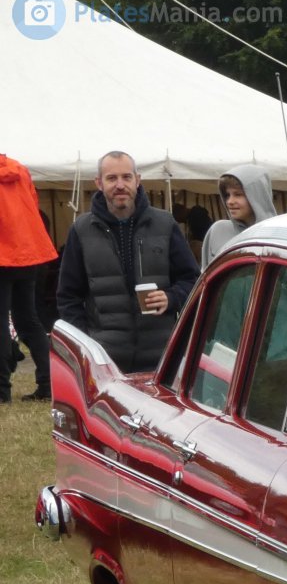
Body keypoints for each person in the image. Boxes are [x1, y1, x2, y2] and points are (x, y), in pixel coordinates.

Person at [56, 151, 199, 373]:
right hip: (106, 360)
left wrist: (172, 297)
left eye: (126, 177)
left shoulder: (164, 224)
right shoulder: (81, 230)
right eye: (112, 178)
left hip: (161, 356)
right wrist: (86, 344)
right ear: (99, 183)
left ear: (137, 180)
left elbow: (192, 280)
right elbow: (68, 296)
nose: (120, 185)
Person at [0, 153, 59, 402]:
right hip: (27, 254)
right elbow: (33, 207)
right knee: (29, 321)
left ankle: (2, 392)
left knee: (1, 323)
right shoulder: (20, 169)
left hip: (4, 255)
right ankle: (48, 385)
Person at [200, 164, 277, 267]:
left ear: (257, 195)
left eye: (238, 194)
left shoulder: (278, 235)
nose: (230, 201)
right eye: (227, 195)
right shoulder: (218, 231)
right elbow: (204, 277)